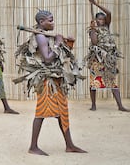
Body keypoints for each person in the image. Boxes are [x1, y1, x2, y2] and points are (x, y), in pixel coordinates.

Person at [14, 10, 86, 156]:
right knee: (41, 112)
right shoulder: (40, 36)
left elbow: (59, 55)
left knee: (62, 111)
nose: (53, 23)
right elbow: (47, 58)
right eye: (50, 20)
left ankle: (69, 145)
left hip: (56, 79)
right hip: (47, 81)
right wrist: (59, 43)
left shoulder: (47, 35)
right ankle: (33, 146)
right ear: (41, 23)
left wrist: (68, 44)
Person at [84, 0, 129, 112]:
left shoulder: (106, 27)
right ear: (96, 20)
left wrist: (95, 3)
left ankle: (120, 105)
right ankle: (93, 105)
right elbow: (94, 42)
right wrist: (93, 29)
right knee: (94, 82)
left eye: (103, 19)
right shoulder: (93, 30)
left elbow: (109, 13)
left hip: (108, 59)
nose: (102, 21)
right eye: (99, 19)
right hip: (97, 59)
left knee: (112, 82)